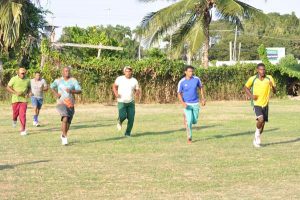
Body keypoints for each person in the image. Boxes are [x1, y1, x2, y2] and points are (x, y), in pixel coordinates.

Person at [244, 63, 276, 148]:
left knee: (262, 126)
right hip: (256, 103)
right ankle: (257, 134)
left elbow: (275, 91)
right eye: (261, 69)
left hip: (265, 104)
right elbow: (245, 87)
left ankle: (256, 137)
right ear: (257, 70)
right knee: (260, 119)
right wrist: (251, 96)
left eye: (264, 69)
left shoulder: (269, 78)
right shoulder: (253, 79)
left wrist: (272, 87)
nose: (263, 71)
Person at [50, 66, 82, 145]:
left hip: (70, 103)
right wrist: (56, 94)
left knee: (68, 122)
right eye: (65, 71)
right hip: (61, 103)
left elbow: (79, 90)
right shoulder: (58, 80)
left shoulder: (73, 80)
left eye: (68, 71)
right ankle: (64, 137)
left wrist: (72, 91)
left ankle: (63, 134)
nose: (67, 72)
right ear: (62, 72)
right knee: (65, 117)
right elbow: (51, 86)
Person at [177, 65, 206, 144]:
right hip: (187, 104)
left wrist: (203, 98)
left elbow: (201, 87)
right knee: (189, 121)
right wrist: (182, 103)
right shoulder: (181, 82)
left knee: (194, 121)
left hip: (196, 103)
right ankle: (189, 137)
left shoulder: (196, 79)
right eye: (189, 71)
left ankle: (189, 119)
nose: (191, 73)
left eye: (192, 71)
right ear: (185, 72)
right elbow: (179, 93)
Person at [112, 66, 140, 137]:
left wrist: (137, 93)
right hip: (121, 101)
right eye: (127, 71)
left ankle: (127, 133)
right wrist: (116, 94)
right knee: (123, 116)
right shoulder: (120, 79)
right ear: (124, 72)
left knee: (131, 118)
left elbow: (137, 89)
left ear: (131, 72)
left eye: (130, 71)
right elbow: (114, 86)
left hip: (131, 102)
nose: (128, 72)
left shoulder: (134, 80)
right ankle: (120, 121)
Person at [6, 68, 31, 135]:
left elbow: (29, 88)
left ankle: (23, 130)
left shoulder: (28, 80)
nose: (23, 74)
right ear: (18, 73)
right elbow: (8, 87)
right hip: (15, 100)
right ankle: (14, 120)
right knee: (15, 114)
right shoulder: (13, 79)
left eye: (24, 73)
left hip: (24, 100)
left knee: (22, 115)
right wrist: (15, 92)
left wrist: (28, 93)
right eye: (22, 73)